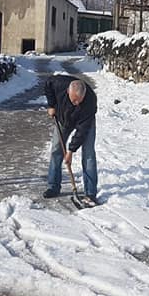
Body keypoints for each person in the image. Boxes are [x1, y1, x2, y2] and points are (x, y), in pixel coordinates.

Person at [44, 74, 98, 205]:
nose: (77, 103)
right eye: (74, 100)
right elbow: (48, 84)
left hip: (84, 123)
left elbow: (82, 131)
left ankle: (90, 192)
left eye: (79, 100)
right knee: (56, 150)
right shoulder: (59, 83)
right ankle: (53, 186)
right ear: (68, 91)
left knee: (89, 154)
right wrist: (51, 105)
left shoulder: (90, 101)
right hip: (63, 119)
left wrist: (70, 151)